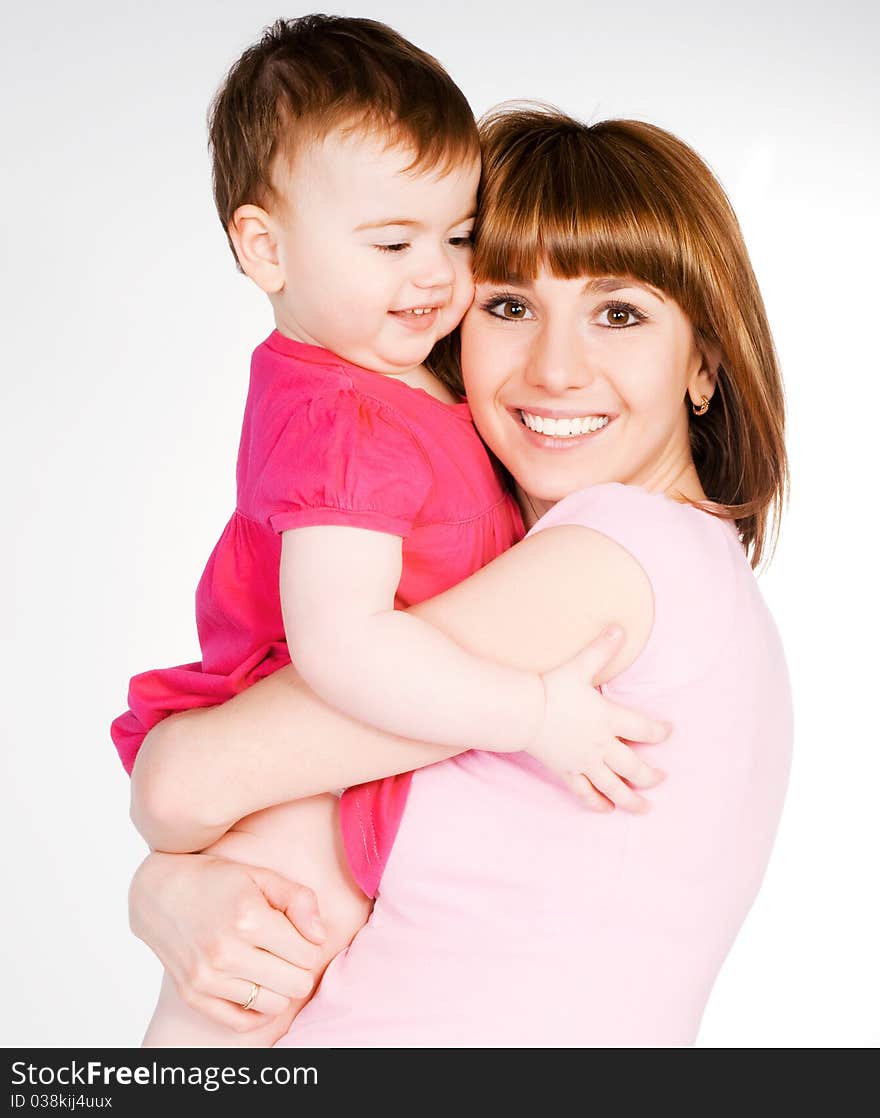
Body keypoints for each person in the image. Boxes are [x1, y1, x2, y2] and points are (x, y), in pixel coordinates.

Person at [127, 104, 792, 1047]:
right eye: (510, 306)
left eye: (619, 313)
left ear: (705, 368)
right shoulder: (637, 567)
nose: (557, 369)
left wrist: (166, 877)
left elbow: (180, 786)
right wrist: (180, 893)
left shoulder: (618, 553)